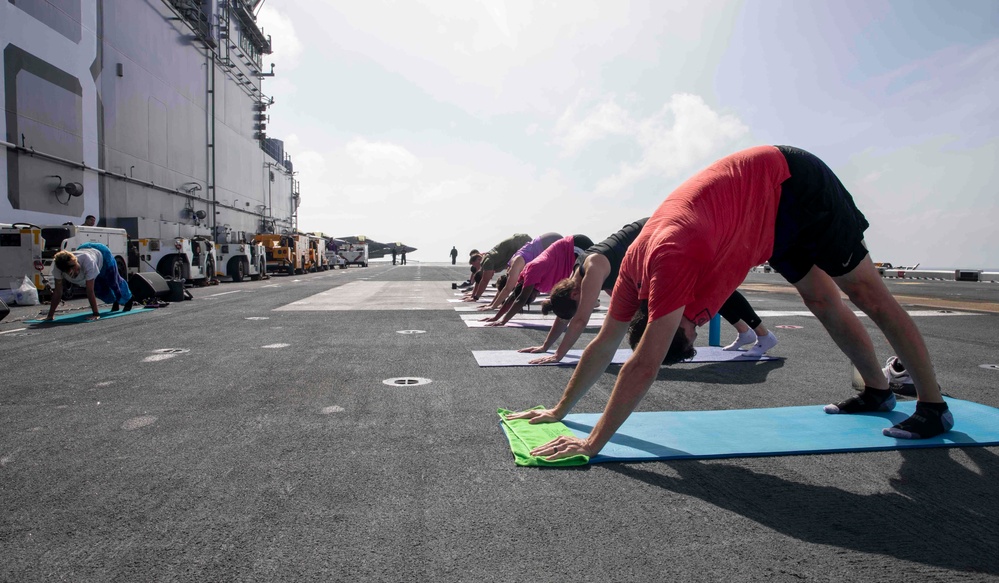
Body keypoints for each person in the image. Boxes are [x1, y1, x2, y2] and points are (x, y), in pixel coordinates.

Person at [507, 145, 951, 463]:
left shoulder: (670, 263)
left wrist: (593, 441)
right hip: (765, 216)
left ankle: (933, 407)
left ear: (668, 321)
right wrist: (558, 411)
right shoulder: (631, 278)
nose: (696, 331)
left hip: (792, 183)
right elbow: (605, 343)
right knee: (820, 298)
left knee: (866, 293)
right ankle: (877, 392)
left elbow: (641, 362)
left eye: (688, 334)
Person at [520, 219, 776, 363]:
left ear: (575, 294)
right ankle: (745, 332)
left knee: (711, 286)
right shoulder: (578, 274)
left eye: (580, 302)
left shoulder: (593, 268)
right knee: (706, 290)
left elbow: (580, 319)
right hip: (650, 246)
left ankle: (763, 335)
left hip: (663, 235)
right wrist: (546, 346)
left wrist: (558, 355)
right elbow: (568, 315)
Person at [482, 234, 593, 326]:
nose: (534, 298)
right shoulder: (536, 283)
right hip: (571, 255)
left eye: (530, 298)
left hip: (575, 245)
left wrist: (503, 321)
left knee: (584, 284)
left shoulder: (532, 271)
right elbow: (513, 296)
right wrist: (496, 317)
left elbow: (520, 299)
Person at [44, 242, 133, 321]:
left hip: (103, 255)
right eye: (71, 273)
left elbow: (89, 290)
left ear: (75, 261)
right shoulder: (58, 268)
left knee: (113, 283)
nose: (75, 273)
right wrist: (50, 315)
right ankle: (115, 301)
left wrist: (95, 314)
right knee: (100, 290)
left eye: (76, 268)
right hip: (86, 250)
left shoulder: (87, 261)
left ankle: (128, 299)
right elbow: (58, 292)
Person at [479, 232, 562, 311]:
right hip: (548, 240)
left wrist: (493, 306)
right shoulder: (511, 268)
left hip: (550, 241)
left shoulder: (516, 266)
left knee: (555, 278)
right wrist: (492, 304)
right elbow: (504, 287)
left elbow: (507, 289)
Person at [465, 234, 532, 302]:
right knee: (510, 277)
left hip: (521, 242)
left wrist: (475, 297)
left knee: (517, 276)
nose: (490, 278)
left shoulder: (487, 263)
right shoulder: (490, 265)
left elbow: (484, 281)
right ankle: (506, 301)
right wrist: (473, 295)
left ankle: (518, 300)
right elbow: (480, 281)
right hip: (519, 242)